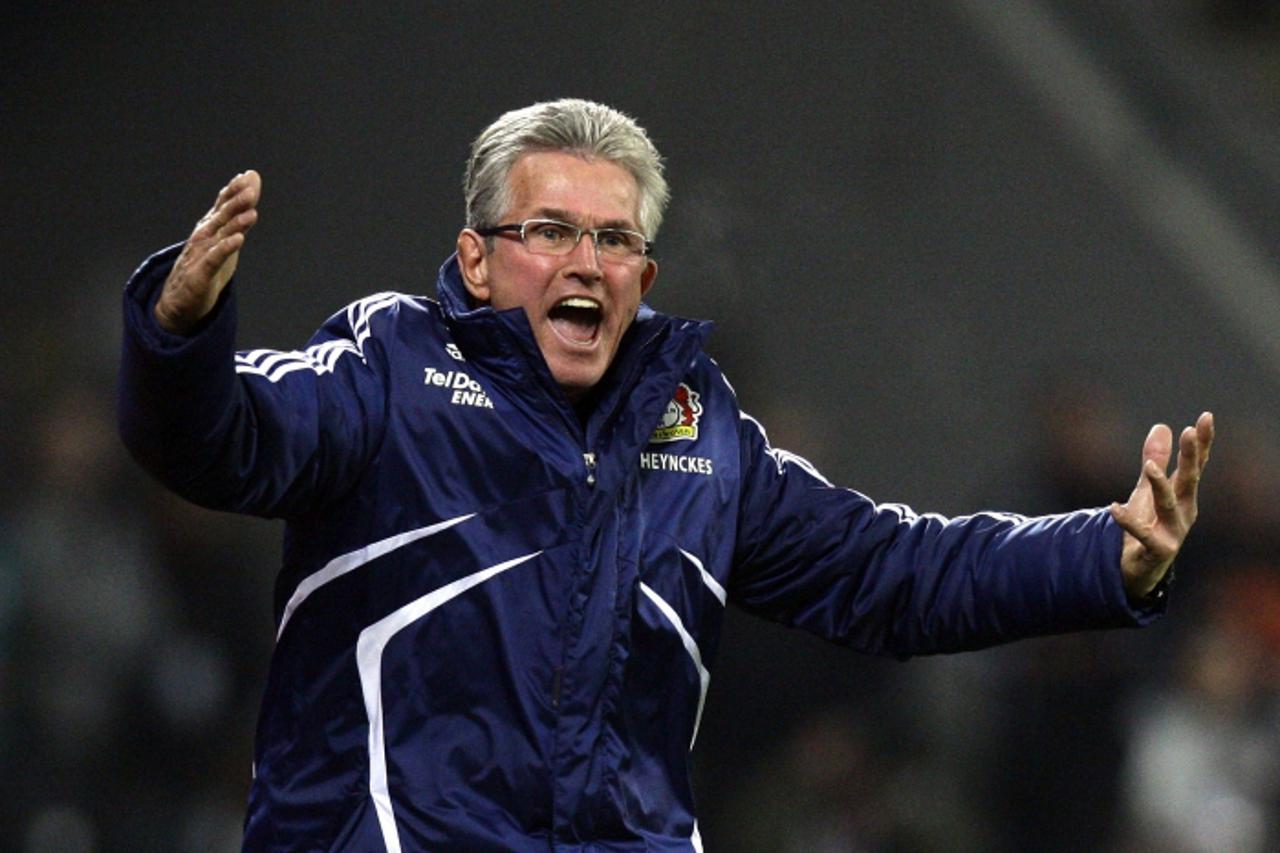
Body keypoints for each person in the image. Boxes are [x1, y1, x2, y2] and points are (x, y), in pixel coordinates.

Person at [118, 99, 1214, 852]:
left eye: (612, 237)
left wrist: (1101, 558)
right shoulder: (388, 366)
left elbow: (891, 572)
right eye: (549, 230)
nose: (584, 261)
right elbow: (223, 441)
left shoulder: (700, 430)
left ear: (643, 273)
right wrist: (179, 334)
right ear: (474, 258)